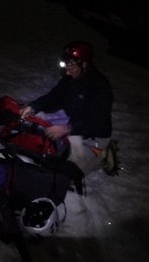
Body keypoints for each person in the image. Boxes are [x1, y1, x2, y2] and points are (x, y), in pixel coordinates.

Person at [20, 41, 115, 175]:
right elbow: (53, 97)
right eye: (66, 66)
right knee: (37, 126)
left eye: (72, 67)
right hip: (73, 122)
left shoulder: (99, 86)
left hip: (93, 135)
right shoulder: (70, 79)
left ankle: (102, 154)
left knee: (66, 172)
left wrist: (67, 129)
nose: (68, 72)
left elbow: (97, 121)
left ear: (84, 64)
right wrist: (33, 106)